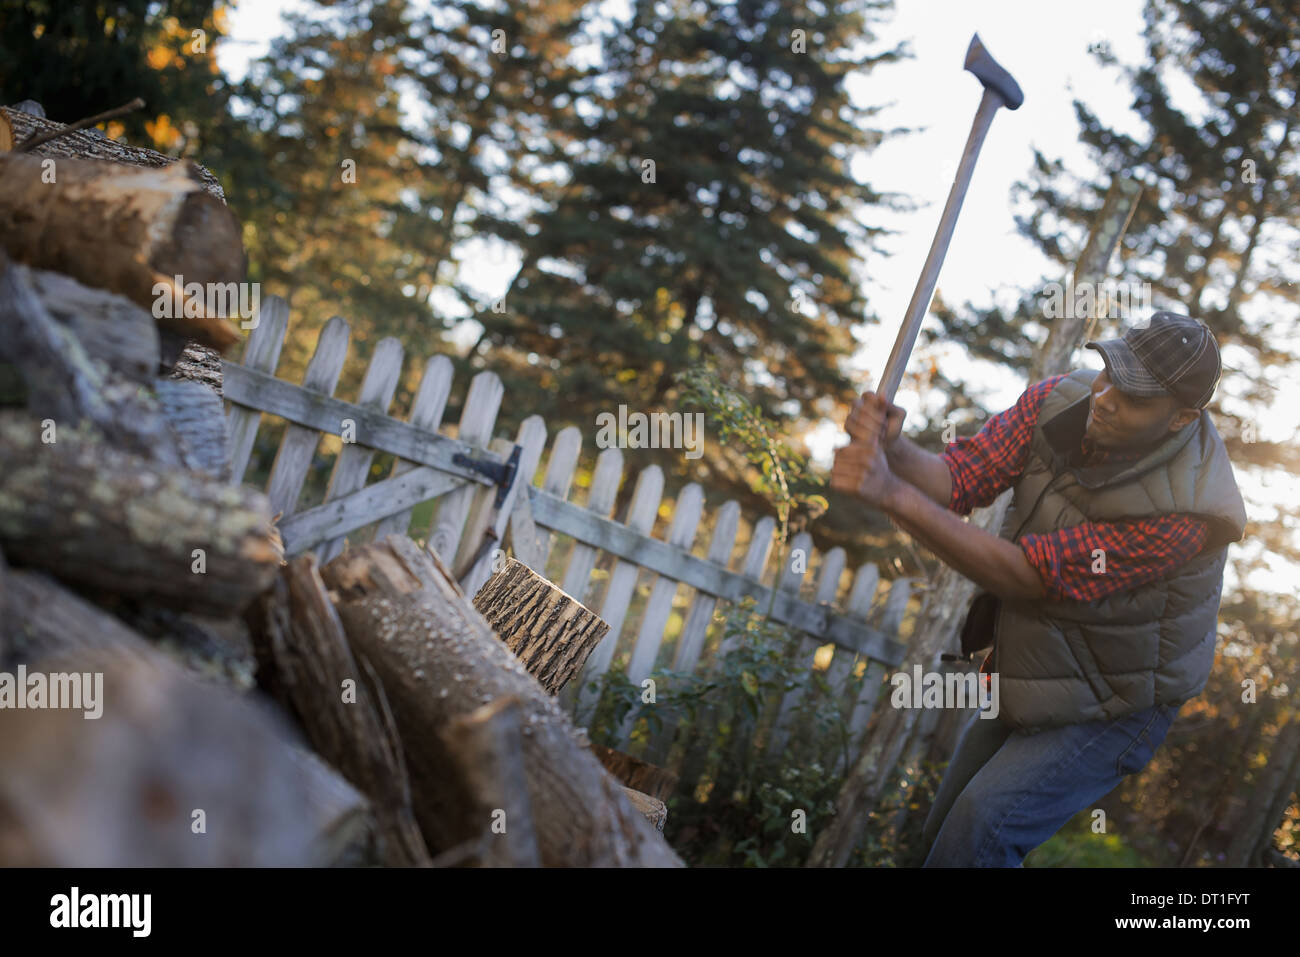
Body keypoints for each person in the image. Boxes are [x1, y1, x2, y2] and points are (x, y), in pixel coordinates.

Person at [829, 311, 1246, 867]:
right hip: (1040, 660)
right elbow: (965, 475)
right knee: (944, 833)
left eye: (1136, 397)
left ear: (1182, 418)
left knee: (981, 827)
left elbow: (1028, 576)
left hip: (1120, 699)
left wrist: (891, 495)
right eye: (1109, 374)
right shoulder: (1059, 400)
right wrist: (895, 451)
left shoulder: (1189, 515)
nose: (1105, 397)